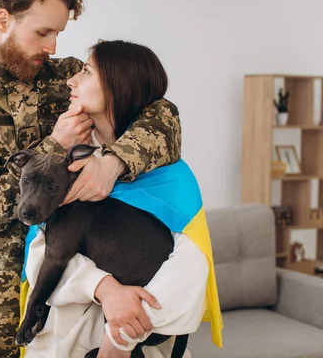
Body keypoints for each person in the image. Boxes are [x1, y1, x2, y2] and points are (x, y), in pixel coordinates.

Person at [0, 0, 182, 357]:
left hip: (80, 285)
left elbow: (162, 112)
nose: (53, 47)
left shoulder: (68, 78)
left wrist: (113, 161)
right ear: (4, 20)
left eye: (59, 34)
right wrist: (51, 148)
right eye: (43, 32)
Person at [21, 40, 222, 358]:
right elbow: (39, 258)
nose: (71, 80)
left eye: (86, 71)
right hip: (61, 343)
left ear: (118, 85)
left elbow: (190, 269)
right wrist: (103, 287)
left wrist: (119, 339)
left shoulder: (173, 177)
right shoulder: (68, 170)